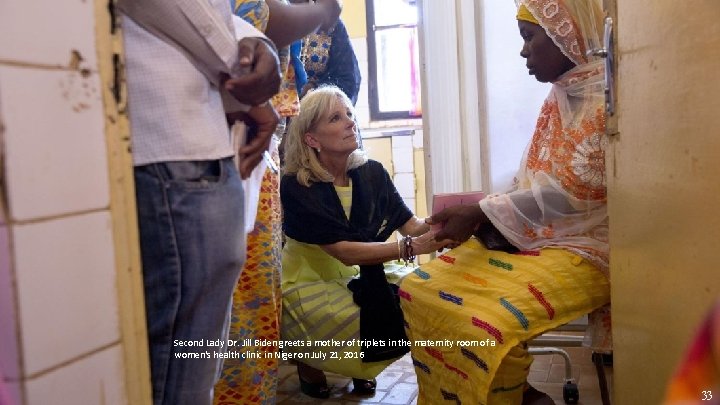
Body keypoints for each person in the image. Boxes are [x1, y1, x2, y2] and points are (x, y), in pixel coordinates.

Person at [399, 0, 610, 403]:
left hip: (590, 245)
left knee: (486, 321)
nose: (523, 51)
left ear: (567, 34)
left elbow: (577, 198)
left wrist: (483, 212)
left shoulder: (608, 101)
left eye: (529, 37)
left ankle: (510, 395)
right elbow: (530, 184)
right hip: (541, 238)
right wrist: (483, 216)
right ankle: (514, 395)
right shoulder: (559, 97)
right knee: (419, 288)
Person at [116, 1, 281, 404]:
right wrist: (245, 71)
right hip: (169, 139)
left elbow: (212, 12)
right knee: (177, 379)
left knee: (194, 370)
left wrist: (256, 44)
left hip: (201, 141)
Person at [280, 85, 448, 398]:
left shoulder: (371, 172)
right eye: (335, 118)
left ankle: (360, 364)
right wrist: (408, 248)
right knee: (358, 313)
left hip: (359, 270)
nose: (349, 122)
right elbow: (342, 252)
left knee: (421, 294)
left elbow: (410, 225)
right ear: (311, 139)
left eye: (349, 115)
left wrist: (447, 220)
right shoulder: (296, 184)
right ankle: (308, 362)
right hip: (308, 277)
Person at [212, 1, 341, 404]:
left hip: (249, 153)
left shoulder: (362, 175)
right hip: (235, 150)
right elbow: (256, 19)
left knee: (247, 314)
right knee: (239, 318)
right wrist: (321, 12)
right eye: (336, 118)